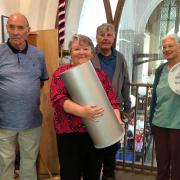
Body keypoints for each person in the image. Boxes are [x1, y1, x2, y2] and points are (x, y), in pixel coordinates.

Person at [50, 34, 124, 180]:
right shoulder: (60, 73)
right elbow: (58, 99)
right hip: (69, 134)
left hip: (97, 133)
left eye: (85, 48)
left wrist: (117, 121)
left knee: (93, 173)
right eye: (77, 48)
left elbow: (112, 101)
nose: (81, 52)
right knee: (70, 174)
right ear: (70, 52)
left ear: (91, 52)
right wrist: (82, 111)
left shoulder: (100, 75)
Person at [0, 13, 48, 180]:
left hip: (31, 121)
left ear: (28, 31)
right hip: (3, 122)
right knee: (4, 162)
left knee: (29, 162)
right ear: (7, 29)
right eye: (11, 27)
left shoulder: (39, 56)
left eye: (20, 28)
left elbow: (41, 84)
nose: (15, 32)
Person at [91, 23, 131, 180]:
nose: (105, 38)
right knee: (94, 147)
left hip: (115, 110)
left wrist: (127, 107)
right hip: (93, 109)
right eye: (102, 35)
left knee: (112, 147)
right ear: (97, 37)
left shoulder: (120, 58)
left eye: (109, 35)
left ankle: (109, 175)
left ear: (114, 38)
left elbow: (126, 82)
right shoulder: (89, 55)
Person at [149, 34, 180, 180]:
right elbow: (155, 97)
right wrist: (151, 120)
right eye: (164, 47)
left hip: (178, 126)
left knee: (178, 168)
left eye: (171, 46)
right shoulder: (160, 70)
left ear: (179, 47)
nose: (166, 49)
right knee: (161, 166)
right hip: (159, 123)